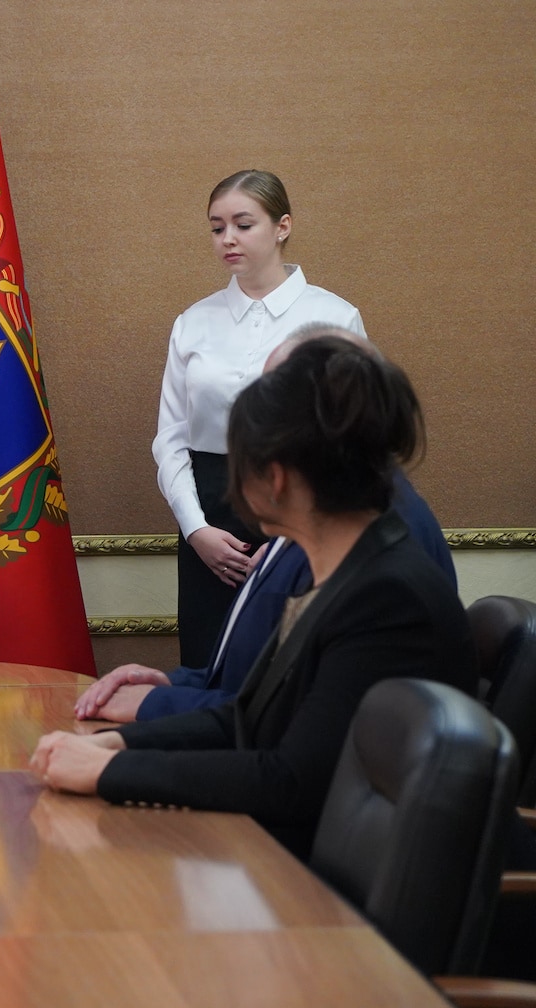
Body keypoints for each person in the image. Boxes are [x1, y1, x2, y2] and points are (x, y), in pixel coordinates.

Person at [32, 336, 475, 857]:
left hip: (332, 893)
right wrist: (117, 744)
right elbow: (248, 717)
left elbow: (291, 782)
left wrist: (110, 771)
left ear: (276, 478)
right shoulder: (344, 565)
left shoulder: (385, 596)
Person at [81, 325, 456, 723]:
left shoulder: (369, 548)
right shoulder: (325, 517)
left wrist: (148, 714)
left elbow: (284, 728)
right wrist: (173, 686)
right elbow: (255, 681)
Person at [155, 170, 365, 669]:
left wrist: (302, 530)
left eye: (243, 224)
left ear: (282, 226)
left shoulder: (335, 318)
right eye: (216, 227)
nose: (227, 239)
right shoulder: (193, 322)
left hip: (304, 512)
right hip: (210, 515)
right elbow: (171, 438)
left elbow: (353, 439)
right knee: (209, 667)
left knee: (291, 669)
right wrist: (195, 529)